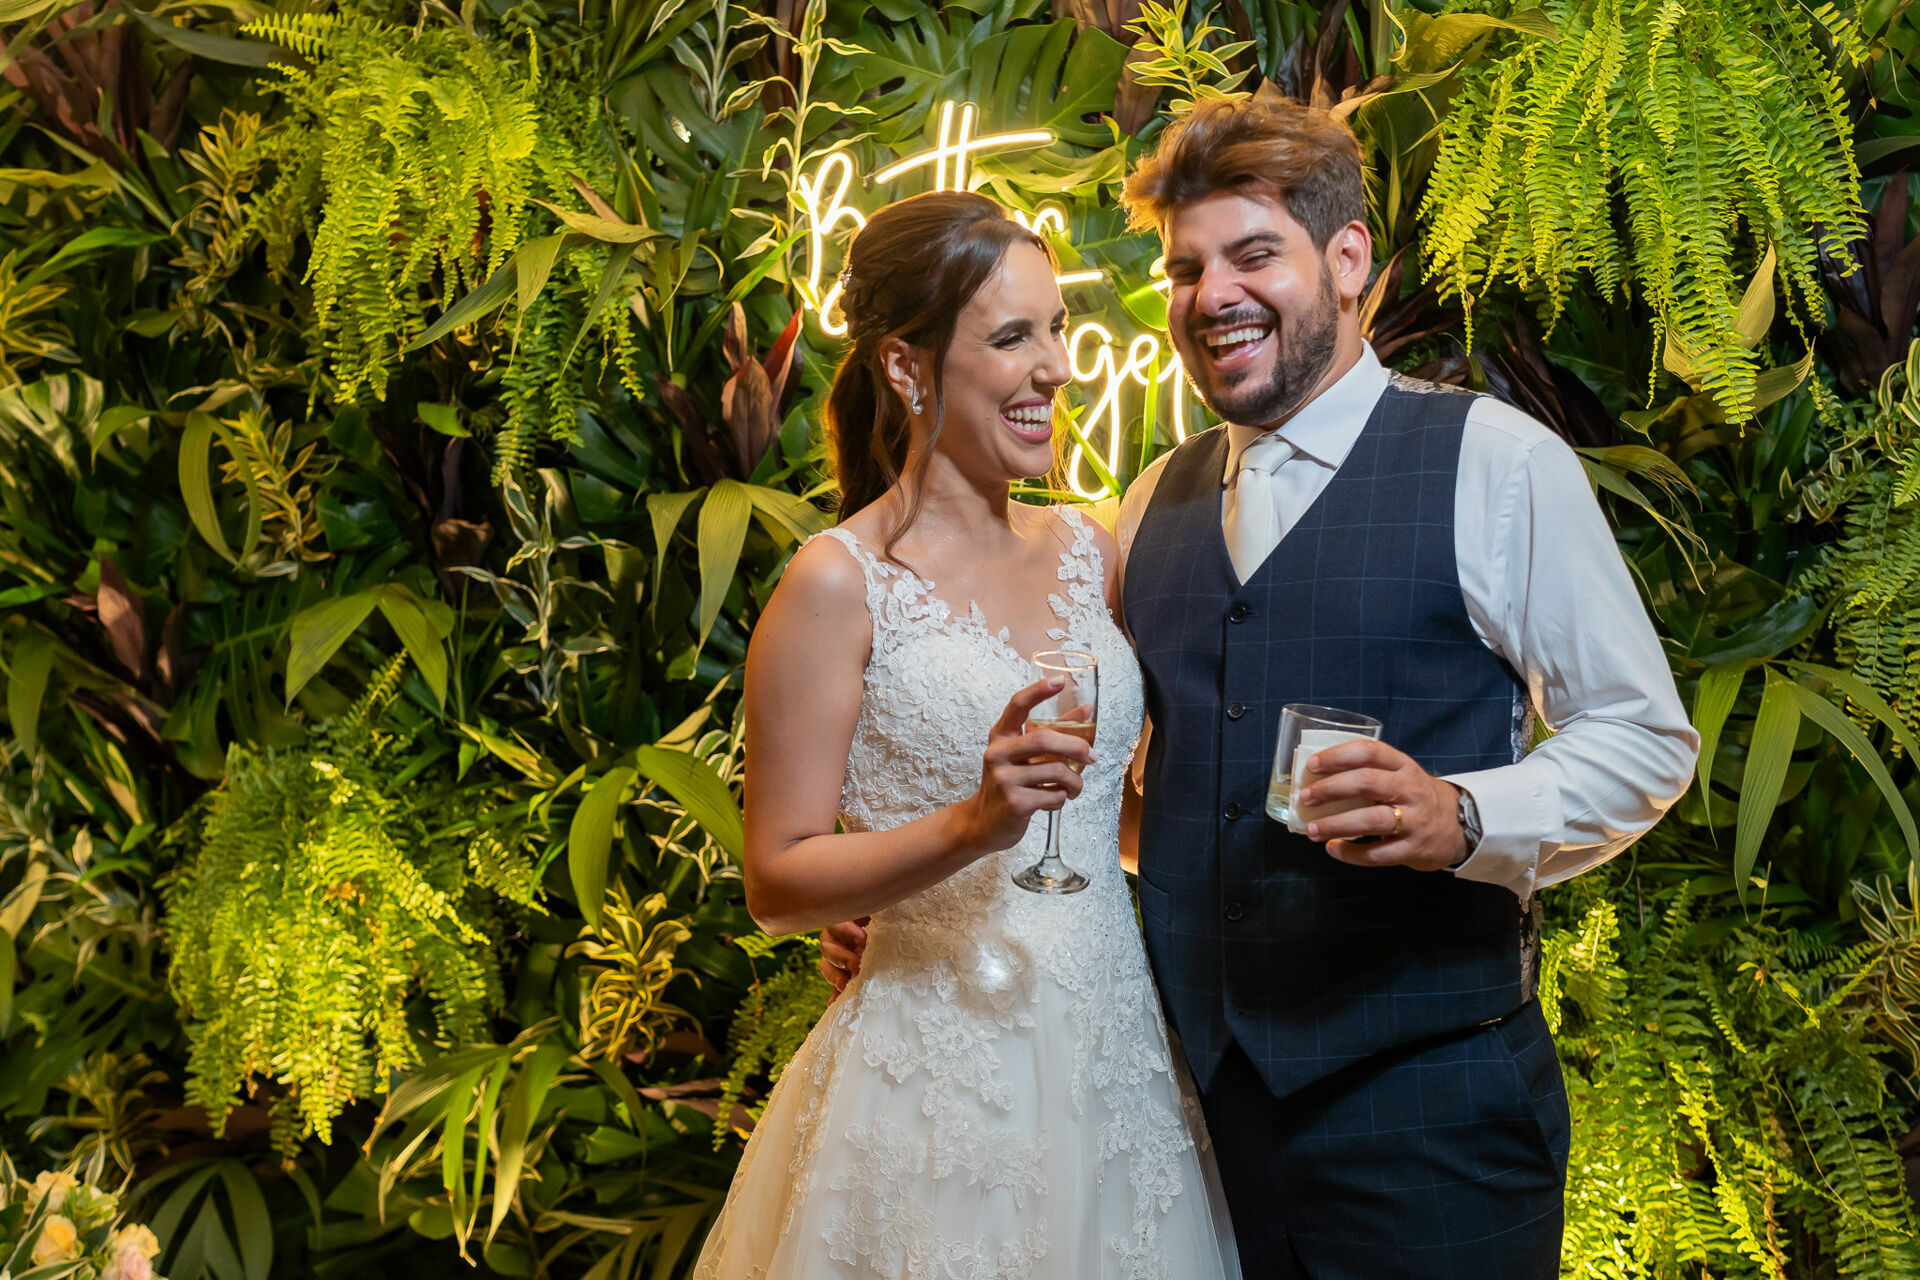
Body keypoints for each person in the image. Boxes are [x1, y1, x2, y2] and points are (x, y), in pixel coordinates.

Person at [823, 95, 1701, 1278]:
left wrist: (1468, 816)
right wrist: (940, 903)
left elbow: (1645, 736)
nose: (1210, 295)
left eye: (1252, 255)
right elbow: (1144, 805)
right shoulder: (1144, 510)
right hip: (1196, 1124)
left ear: (1347, 263)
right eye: (1185, 269)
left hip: (1431, 1122)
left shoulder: (1494, 463)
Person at [692, 190, 1239, 1280]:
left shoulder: (1096, 549)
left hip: (1116, 1061)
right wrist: (971, 824)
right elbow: (778, 878)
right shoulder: (836, 585)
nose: (1056, 368)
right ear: (907, 367)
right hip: (934, 1083)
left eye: (1056, 330)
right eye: (1011, 336)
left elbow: (1107, 820)